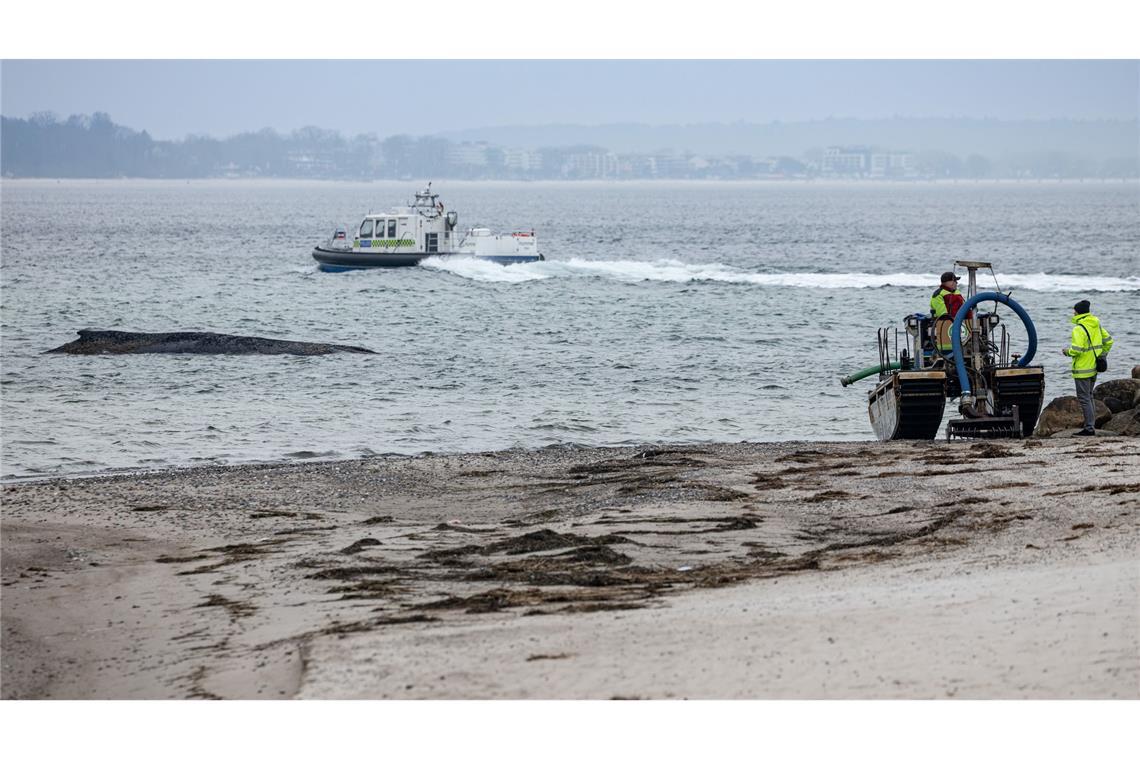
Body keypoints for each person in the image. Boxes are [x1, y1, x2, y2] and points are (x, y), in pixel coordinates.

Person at [1062, 300, 1114, 436]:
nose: (1073, 312)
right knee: (1089, 396)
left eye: (1074, 310)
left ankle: (1089, 428)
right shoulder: (1095, 324)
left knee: (1084, 398)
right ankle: (1091, 425)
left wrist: (1067, 351)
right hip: (1094, 368)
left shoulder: (1078, 328)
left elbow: (1077, 350)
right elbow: (1109, 341)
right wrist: (1102, 355)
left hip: (1082, 370)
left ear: (1078, 312)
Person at [930, 271, 967, 353]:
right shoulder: (938, 295)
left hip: (962, 325)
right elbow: (942, 314)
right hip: (945, 328)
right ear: (948, 282)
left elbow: (965, 307)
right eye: (954, 281)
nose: (956, 283)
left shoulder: (957, 293)